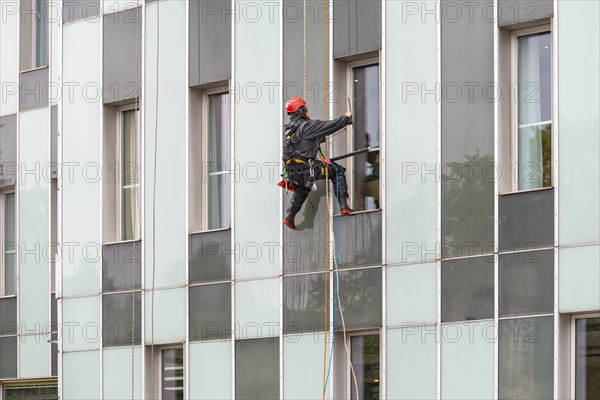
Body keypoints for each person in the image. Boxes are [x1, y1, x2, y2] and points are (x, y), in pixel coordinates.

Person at [282, 97, 353, 230]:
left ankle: (289, 217)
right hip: (308, 169)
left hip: (292, 173)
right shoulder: (308, 126)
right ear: (301, 111)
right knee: (337, 170)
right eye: (306, 109)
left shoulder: (288, 130)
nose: (308, 112)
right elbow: (330, 125)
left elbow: (300, 145)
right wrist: (346, 118)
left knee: (302, 187)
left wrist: (318, 139)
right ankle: (344, 206)